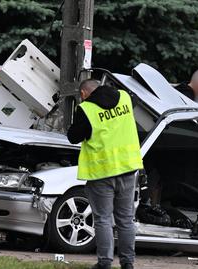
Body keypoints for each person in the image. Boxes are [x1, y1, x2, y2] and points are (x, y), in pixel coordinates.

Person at [67, 79, 144, 269]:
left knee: (103, 219)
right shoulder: (125, 98)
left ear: (84, 94)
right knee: (126, 219)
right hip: (127, 170)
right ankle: (128, 263)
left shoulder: (86, 109)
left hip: (101, 174)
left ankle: (105, 263)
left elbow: (73, 137)